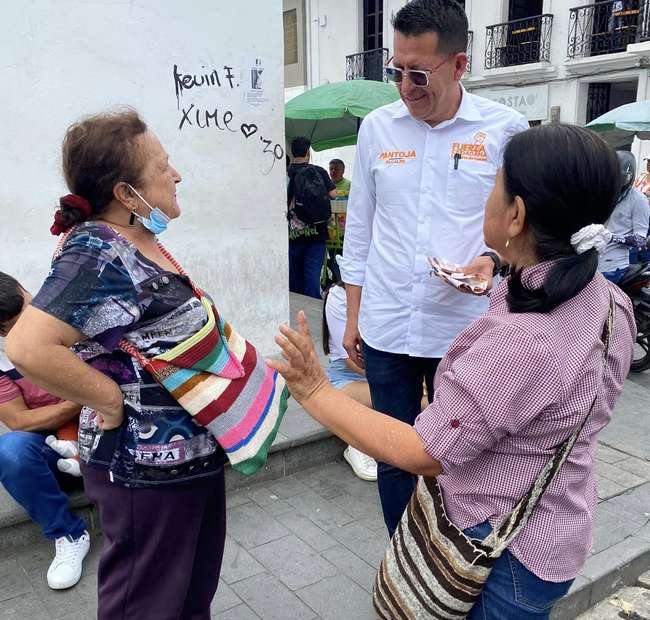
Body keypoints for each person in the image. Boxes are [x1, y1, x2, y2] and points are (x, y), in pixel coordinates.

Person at [269, 123, 635, 619]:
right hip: (559, 526)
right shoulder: (610, 300)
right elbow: (525, 413)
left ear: (516, 215)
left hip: (505, 552)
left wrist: (314, 389)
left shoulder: (523, 340)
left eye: (494, 185)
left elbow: (423, 454)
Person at [5, 110, 228, 619]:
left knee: (190, 598)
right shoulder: (95, 249)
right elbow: (27, 346)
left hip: (187, 458)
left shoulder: (138, 239)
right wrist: (106, 398)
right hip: (142, 469)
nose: (177, 174)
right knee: (144, 606)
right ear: (127, 194)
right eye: (164, 166)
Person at [337, 0, 529, 534]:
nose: (405, 85)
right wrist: (353, 317)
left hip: (465, 333)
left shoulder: (503, 130)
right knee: (394, 455)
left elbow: (523, 225)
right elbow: (360, 229)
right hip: (387, 325)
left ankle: (452, 558)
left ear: (459, 64)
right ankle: (404, 560)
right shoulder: (378, 129)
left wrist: (492, 261)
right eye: (395, 70)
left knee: (460, 458)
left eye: (418, 72)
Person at [0, 271, 89, 590]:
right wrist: (74, 404)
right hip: (56, 445)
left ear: (26, 291)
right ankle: (69, 534)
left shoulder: (73, 315)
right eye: (13, 327)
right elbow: (20, 421)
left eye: (27, 308)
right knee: (10, 452)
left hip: (108, 427)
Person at [322, 282, 376, 481]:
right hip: (346, 378)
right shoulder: (338, 296)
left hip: (382, 376)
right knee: (404, 396)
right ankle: (357, 445)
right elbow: (351, 360)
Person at [287, 136, 337, 299]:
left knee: (294, 279)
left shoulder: (287, 174)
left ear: (293, 153)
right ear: (308, 152)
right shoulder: (319, 171)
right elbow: (333, 194)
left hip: (292, 237)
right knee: (312, 278)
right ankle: (312, 318)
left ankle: (296, 315)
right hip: (317, 235)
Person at [599, 151, 650, 283]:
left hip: (614, 266)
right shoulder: (603, 194)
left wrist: (612, 237)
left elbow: (640, 239)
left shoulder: (638, 200)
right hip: (592, 261)